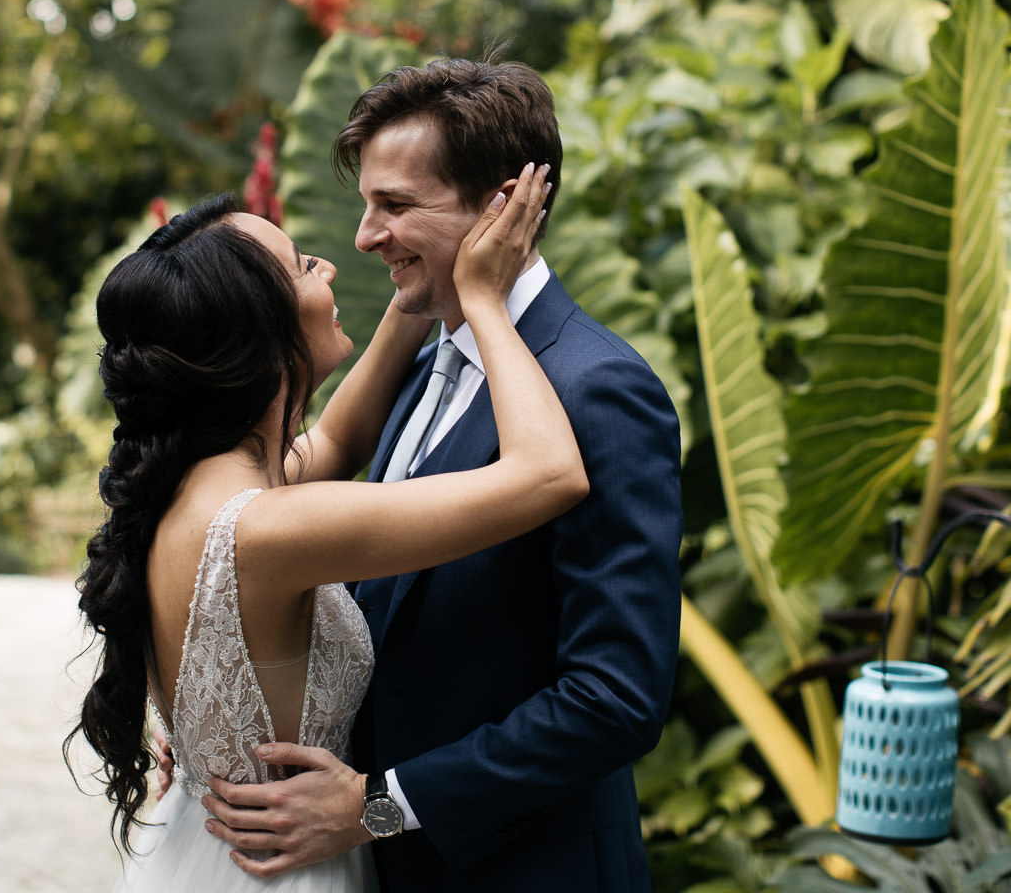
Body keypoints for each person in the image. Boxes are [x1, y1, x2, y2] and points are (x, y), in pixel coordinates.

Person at [198, 58, 683, 891]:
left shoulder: (598, 390)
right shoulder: (424, 370)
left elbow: (615, 699)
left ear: (502, 207)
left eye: (395, 206)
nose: (363, 238)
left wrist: (376, 808)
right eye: (366, 205)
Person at [71, 161, 582, 893]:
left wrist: (423, 276)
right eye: (304, 266)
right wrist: (485, 302)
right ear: (263, 328)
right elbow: (549, 473)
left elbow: (340, 438)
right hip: (280, 873)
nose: (335, 264)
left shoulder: (195, 486)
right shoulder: (269, 528)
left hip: (210, 851)